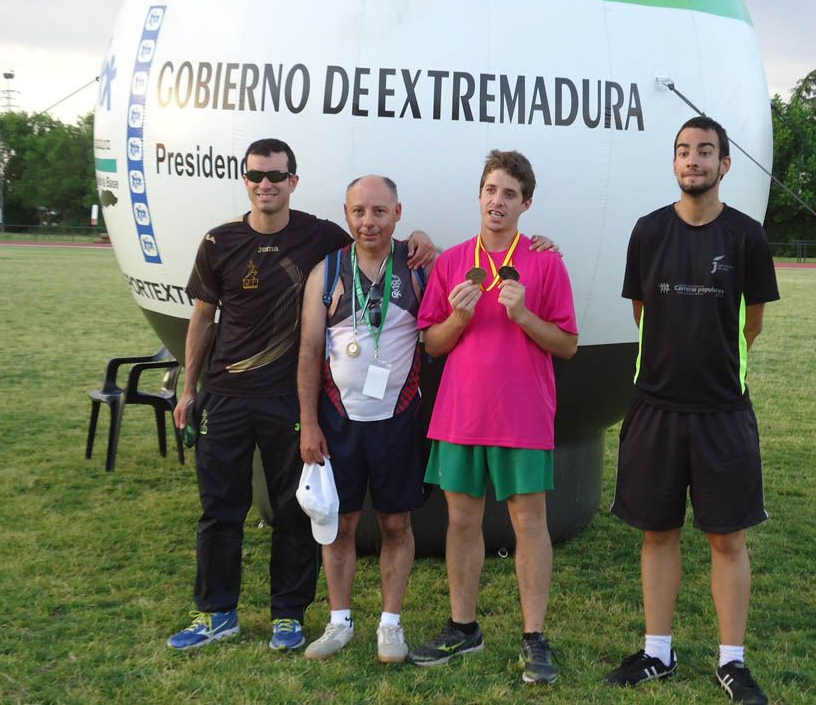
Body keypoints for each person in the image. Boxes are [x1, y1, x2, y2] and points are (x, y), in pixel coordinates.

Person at [167, 140, 434, 653]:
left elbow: (384, 242)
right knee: (220, 510)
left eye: (275, 175)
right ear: (245, 180)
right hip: (228, 395)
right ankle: (218, 613)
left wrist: (422, 238)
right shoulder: (220, 242)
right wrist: (189, 387)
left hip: (290, 402)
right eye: (255, 175)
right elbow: (203, 318)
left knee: (298, 511)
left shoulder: (322, 237)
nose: (264, 184)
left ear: (293, 180)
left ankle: (289, 616)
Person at [603, 117, 779, 705]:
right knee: (658, 533)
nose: (693, 160)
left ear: (724, 165)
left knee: (726, 538)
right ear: (674, 163)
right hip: (655, 408)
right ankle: (658, 651)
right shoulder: (648, 232)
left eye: (705, 151)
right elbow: (641, 314)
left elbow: (751, 324)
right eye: (683, 151)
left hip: (722, 411)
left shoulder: (747, 237)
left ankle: (732, 662)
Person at [408, 150, 578, 685]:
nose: (496, 201)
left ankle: (534, 637)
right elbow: (431, 344)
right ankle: (463, 627)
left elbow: (569, 345)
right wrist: (459, 316)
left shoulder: (546, 261)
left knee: (530, 523)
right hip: (460, 414)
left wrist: (524, 314)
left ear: (526, 202)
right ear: (478, 196)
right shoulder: (453, 261)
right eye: (489, 190)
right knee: (461, 520)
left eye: (509, 193)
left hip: (523, 415)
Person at [296, 175, 427, 664]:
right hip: (337, 422)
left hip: (398, 418)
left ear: (397, 212)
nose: (368, 221)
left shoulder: (416, 268)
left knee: (396, 523)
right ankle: (339, 621)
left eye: (378, 211)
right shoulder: (327, 272)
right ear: (346, 214)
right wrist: (309, 423)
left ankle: (390, 625)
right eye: (358, 211)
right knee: (340, 523)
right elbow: (309, 351)